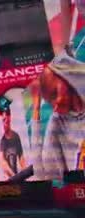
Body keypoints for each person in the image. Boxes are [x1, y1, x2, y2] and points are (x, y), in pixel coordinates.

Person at [30, 52, 85, 180]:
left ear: (67, 76)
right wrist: (36, 110)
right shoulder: (58, 122)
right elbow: (41, 175)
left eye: (55, 94)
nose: (55, 105)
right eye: (50, 101)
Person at [0, 96, 27, 178]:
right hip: (8, 178)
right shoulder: (1, 140)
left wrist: (25, 173)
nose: (5, 119)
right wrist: (13, 176)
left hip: (16, 176)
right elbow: (2, 161)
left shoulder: (16, 136)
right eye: (3, 120)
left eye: (7, 115)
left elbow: (21, 157)